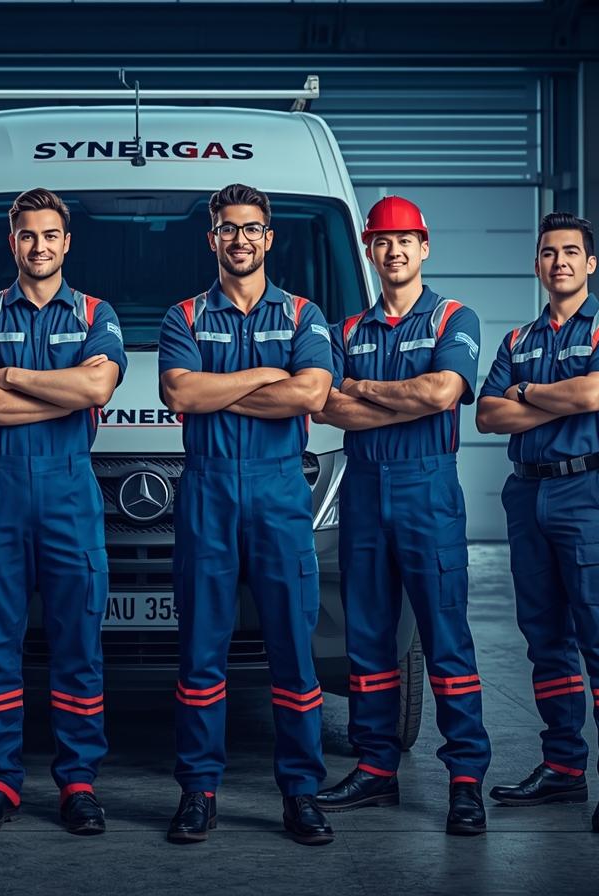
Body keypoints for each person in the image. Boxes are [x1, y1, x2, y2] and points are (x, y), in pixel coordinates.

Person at [157, 183, 337, 846]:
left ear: (269, 237)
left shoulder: (302, 315)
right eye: (228, 229)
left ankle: (301, 794)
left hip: (279, 494)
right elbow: (178, 389)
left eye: (251, 228)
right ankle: (198, 792)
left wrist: (218, 393)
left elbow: (314, 390)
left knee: (294, 652)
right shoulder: (182, 317)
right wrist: (266, 378)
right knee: (201, 652)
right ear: (212, 239)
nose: (240, 239)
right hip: (206, 495)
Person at [0, 188, 126, 836]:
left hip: (69, 493)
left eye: (51, 235)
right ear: (12, 240)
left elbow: (98, 386)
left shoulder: (95, 313)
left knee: (78, 644)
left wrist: (14, 376)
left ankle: (78, 783)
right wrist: (61, 392)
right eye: (29, 235)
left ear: (67, 242)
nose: (40, 246)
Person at [313, 196, 491, 835]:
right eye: (382, 241)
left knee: (445, 639)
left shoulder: (452, 317)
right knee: (368, 639)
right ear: (370, 250)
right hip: (362, 489)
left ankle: (466, 778)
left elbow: (445, 393)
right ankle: (375, 769)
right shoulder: (346, 332)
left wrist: (363, 390)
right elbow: (326, 408)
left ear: (424, 246)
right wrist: (399, 401)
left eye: (405, 240)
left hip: (428, 491)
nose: (394, 251)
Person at [476, 212, 599, 834]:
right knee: (545, 638)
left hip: (588, 493)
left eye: (571, 252)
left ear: (590, 262)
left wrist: (525, 394)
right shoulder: (518, 340)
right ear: (538, 263)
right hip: (528, 495)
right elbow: (487, 418)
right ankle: (564, 768)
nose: (560, 262)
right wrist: (535, 396)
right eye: (549, 252)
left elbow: (593, 395)